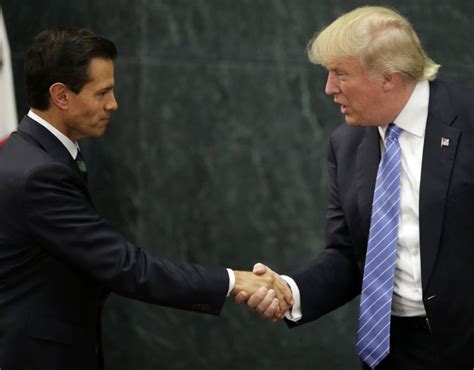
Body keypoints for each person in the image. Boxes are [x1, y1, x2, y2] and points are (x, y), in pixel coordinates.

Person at [0, 28, 292, 370]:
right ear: (61, 96)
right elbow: (126, 267)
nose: (113, 104)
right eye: (103, 92)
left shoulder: (29, 153)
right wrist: (233, 280)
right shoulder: (40, 174)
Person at [237, 5, 474, 370]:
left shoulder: (467, 121)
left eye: (340, 74)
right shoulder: (346, 144)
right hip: (391, 349)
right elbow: (349, 254)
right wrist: (290, 291)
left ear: (389, 78)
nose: (329, 88)